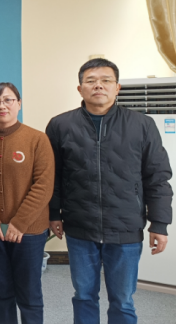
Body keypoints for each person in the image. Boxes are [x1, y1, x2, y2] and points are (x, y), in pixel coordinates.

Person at [46, 58, 173, 324]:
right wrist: (54, 213)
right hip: (80, 226)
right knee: (84, 295)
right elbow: (52, 175)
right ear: (80, 88)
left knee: (123, 299)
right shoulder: (60, 125)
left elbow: (157, 177)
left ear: (117, 88)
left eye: (106, 80)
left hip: (125, 226)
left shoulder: (141, 124)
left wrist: (159, 223)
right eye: (91, 81)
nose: (98, 86)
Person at [0, 82, 54, 324]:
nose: (2, 106)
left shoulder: (37, 139)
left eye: (8, 100)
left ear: (19, 104)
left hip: (28, 231)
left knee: (29, 293)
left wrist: (19, 223)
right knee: (2, 290)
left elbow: (43, 186)